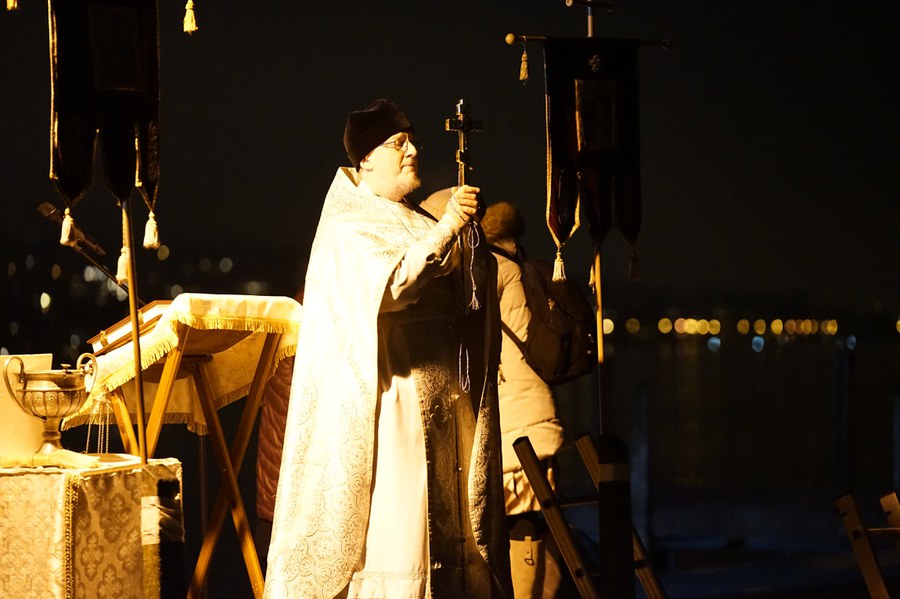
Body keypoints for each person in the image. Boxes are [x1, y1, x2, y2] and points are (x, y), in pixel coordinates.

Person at [264, 98, 512, 599]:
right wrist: (448, 230)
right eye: (398, 143)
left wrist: (470, 246)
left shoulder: (415, 220)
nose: (413, 151)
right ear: (365, 160)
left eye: (412, 141)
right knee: (400, 532)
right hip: (390, 407)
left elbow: (467, 300)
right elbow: (393, 290)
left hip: (445, 409)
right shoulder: (347, 228)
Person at [481, 202, 566, 598]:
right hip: (534, 408)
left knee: (522, 515)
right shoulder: (522, 267)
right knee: (537, 515)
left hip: (516, 416)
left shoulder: (496, 272)